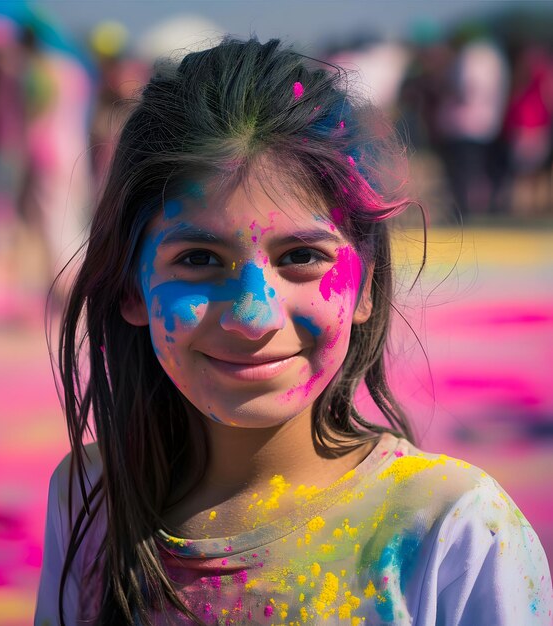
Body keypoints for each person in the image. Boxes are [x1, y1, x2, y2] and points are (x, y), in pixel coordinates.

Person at [35, 38, 552, 626]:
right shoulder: (90, 499)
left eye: (302, 255)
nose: (253, 317)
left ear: (366, 285)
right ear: (130, 288)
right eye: (199, 259)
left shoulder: (452, 533)